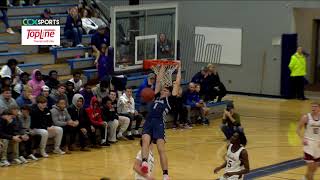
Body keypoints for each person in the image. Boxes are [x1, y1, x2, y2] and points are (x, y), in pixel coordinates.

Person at [141, 61, 181, 180]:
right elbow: (159, 80)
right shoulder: (156, 95)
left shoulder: (170, 100)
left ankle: (165, 174)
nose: (163, 90)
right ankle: (144, 162)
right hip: (149, 121)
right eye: (163, 89)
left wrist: (179, 68)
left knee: (160, 149)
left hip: (159, 123)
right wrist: (163, 65)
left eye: (166, 90)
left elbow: (177, 83)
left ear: (169, 93)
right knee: (145, 141)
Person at [296, 102, 320, 180]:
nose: (313, 108)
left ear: (319, 108)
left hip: (318, 145)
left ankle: (304, 178)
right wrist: (303, 138)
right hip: (309, 144)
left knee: (314, 169)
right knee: (310, 168)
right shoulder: (306, 117)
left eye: (315, 107)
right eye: (312, 107)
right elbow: (298, 129)